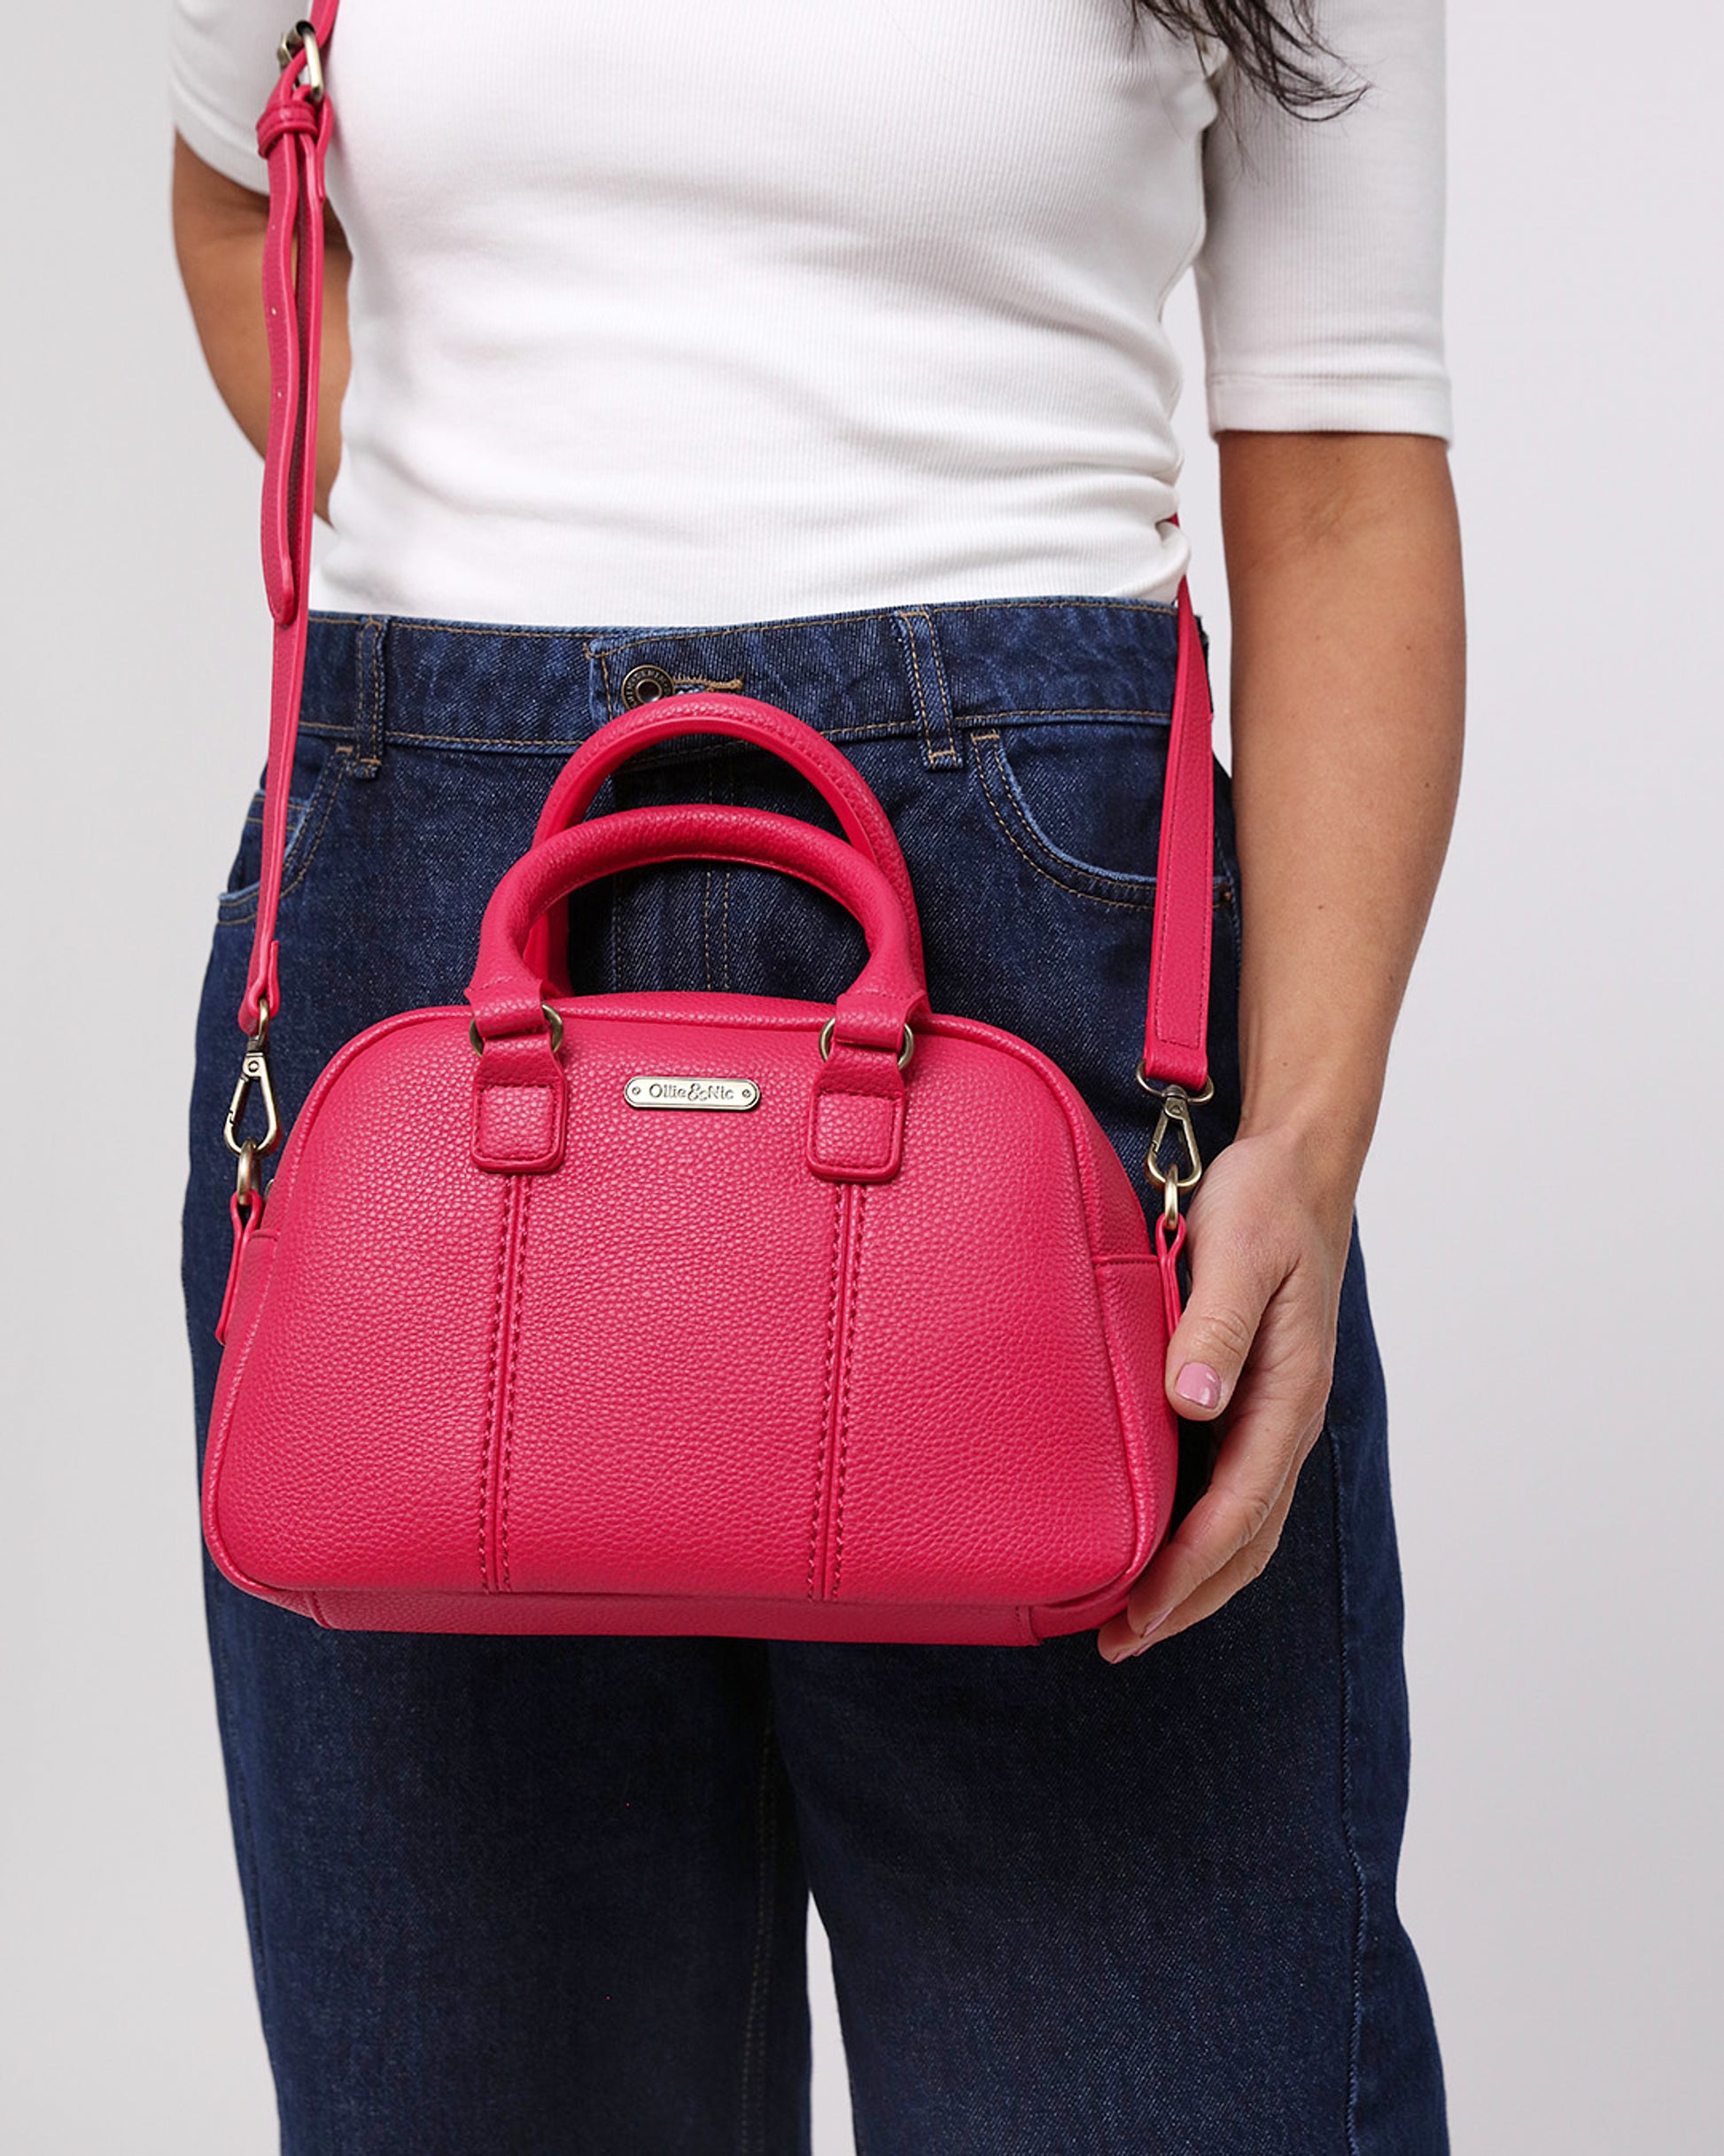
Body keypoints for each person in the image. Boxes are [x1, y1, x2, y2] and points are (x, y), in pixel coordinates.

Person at [169, 1, 1464, 2148]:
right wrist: (504, 538)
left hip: (1045, 959)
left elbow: (1338, 469)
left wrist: (1306, 1150)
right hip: (430, 926)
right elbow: (242, 203)